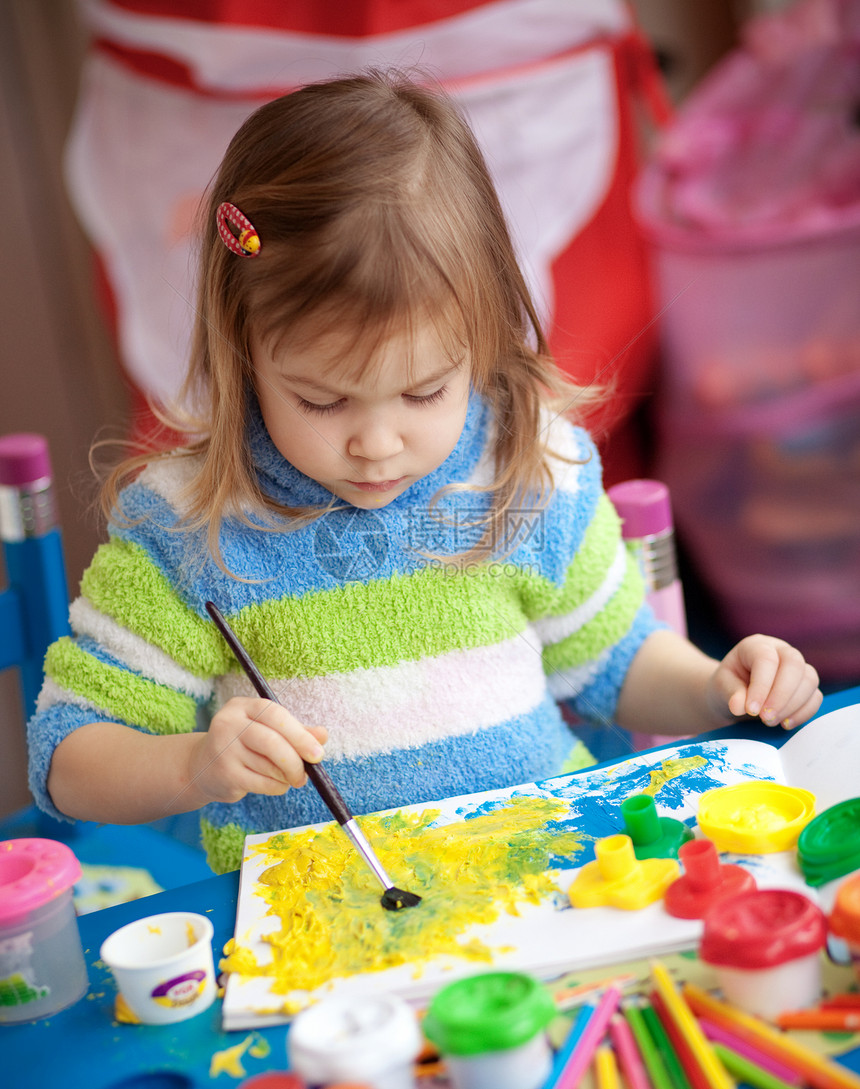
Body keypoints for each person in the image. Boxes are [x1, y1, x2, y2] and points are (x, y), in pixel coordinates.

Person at [28, 71, 821, 875]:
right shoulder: (191, 524)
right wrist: (193, 765)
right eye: (323, 400)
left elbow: (617, 662)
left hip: (552, 879)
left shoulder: (527, 467)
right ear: (244, 355)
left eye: (424, 390)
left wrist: (722, 684)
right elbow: (68, 756)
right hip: (328, 931)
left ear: (483, 335)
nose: (377, 443)